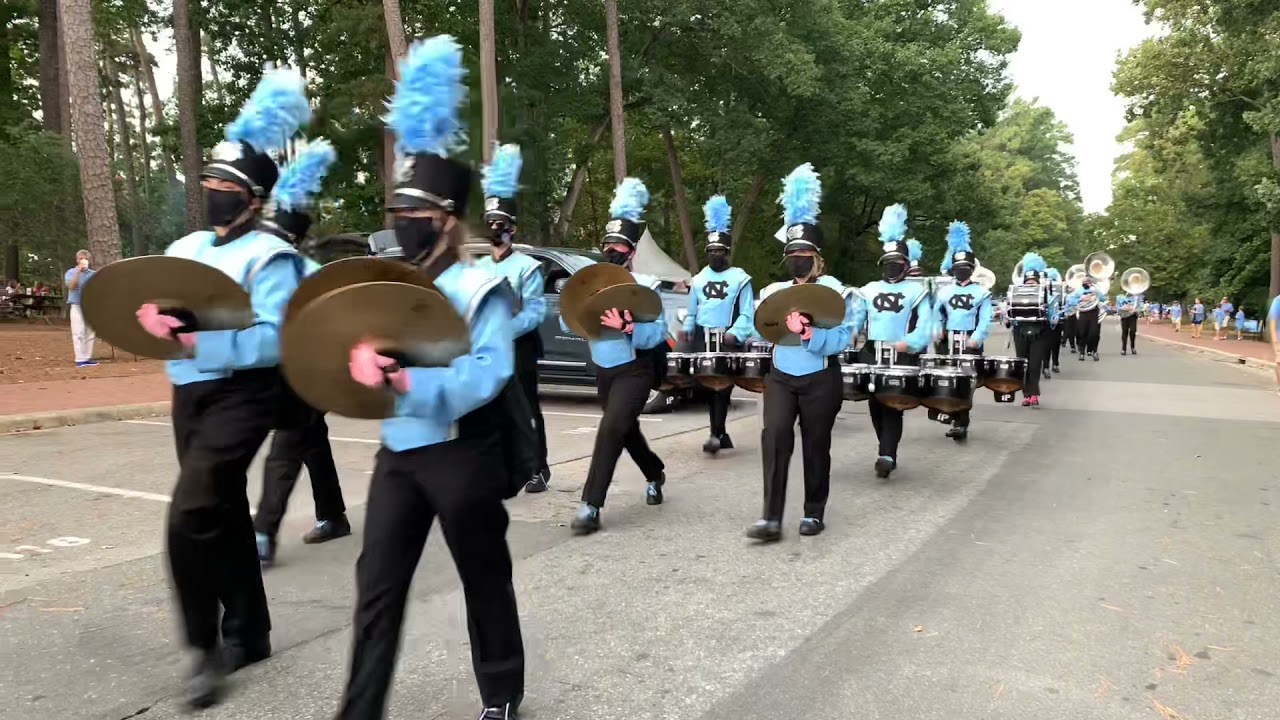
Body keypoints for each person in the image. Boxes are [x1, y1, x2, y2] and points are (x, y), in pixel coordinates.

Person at [336, 37, 525, 720]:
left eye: (418, 216)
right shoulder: (389, 282)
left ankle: (501, 692)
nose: (407, 225)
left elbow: (488, 372)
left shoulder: (481, 287)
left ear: (447, 220)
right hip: (398, 453)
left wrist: (413, 382)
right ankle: (359, 709)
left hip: (461, 451)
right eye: (400, 215)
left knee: (483, 574)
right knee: (376, 586)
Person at [133, 67, 312, 708]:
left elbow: (275, 339)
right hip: (189, 393)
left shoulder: (273, 258)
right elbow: (158, 304)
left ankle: (204, 649)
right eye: (209, 183)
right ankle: (250, 631)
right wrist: (153, 320)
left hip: (245, 393)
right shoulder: (186, 244)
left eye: (227, 188)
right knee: (223, 507)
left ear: (254, 199)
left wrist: (197, 340)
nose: (213, 193)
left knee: (191, 510)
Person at [251, 140, 352, 568]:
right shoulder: (270, 266)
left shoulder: (301, 273)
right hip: (288, 373)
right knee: (312, 441)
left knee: (287, 447)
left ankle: (263, 531)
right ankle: (333, 515)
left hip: (309, 375)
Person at [744, 164, 856, 542]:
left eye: (804, 252)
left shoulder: (835, 290)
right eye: (792, 253)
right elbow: (760, 327)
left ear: (816, 255)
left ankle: (813, 511)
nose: (797, 258)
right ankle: (771, 518)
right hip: (780, 376)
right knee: (775, 437)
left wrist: (810, 333)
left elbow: (844, 337)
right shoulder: (774, 291)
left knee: (815, 445)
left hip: (820, 378)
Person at [560, 177, 668, 535]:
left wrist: (629, 326)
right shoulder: (588, 282)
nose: (612, 250)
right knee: (625, 429)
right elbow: (568, 320)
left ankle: (590, 506)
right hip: (603, 369)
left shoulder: (647, 285)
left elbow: (658, 332)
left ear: (631, 251)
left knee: (610, 429)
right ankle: (654, 472)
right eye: (607, 244)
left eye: (619, 245)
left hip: (636, 369)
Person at [475, 143, 551, 491]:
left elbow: (535, 310)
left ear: (513, 228)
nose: (495, 227)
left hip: (518, 346)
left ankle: (539, 467)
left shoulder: (527, 266)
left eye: (501, 223)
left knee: (527, 409)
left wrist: (505, 328)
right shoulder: (477, 266)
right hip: (487, 347)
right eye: (490, 222)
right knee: (492, 407)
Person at [858, 202, 933, 476]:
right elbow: (857, 317)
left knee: (892, 404)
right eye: (887, 263)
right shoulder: (868, 289)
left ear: (906, 265)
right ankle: (885, 448)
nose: (891, 267)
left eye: (897, 263)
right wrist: (851, 332)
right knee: (875, 404)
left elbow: (925, 324)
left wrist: (909, 343)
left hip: (900, 354)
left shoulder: (917, 291)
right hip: (871, 351)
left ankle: (887, 454)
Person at [681, 194, 754, 455]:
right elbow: (692, 311)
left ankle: (715, 434)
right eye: (711, 251)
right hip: (703, 337)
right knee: (707, 386)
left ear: (727, 252)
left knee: (721, 387)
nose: (715, 255)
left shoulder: (740, 279)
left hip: (728, 338)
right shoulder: (699, 279)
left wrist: (736, 333)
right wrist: (687, 329)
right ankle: (720, 433)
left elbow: (747, 312)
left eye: (719, 251)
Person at [932, 221, 991, 440]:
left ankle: (961, 422)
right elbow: (937, 313)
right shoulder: (944, 291)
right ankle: (950, 413)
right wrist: (938, 329)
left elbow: (985, 319)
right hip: (948, 341)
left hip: (969, 341)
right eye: (957, 267)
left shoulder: (982, 293)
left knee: (965, 382)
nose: (961, 271)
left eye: (965, 267)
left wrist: (976, 338)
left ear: (971, 270)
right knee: (947, 379)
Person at [1010, 253, 1059, 406]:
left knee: (1035, 364)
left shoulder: (1047, 297)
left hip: (1040, 332)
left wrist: (1053, 315)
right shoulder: (1016, 294)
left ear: (1038, 282)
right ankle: (1026, 394)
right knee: (1023, 364)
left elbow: (1053, 318)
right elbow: (1010, 314)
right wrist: (1006, 316)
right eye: (1028, 282)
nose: (1030, 284)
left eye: (1033, 282)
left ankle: (1034, 394)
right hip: (1020, 332)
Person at [64, 250, 98, 367]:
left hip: (89, 306)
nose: (83, 261)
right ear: (77, 260)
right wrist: (79, 271)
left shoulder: (93, 274)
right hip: (77, 305)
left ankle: (87, 357)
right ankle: (79, 358)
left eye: (86, 259)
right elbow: (71, 286)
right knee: (78, 332)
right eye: (81, 258)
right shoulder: (71, 272)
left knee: (90, 332)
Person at [1069, 278, 1106, 360]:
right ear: (1082, 283)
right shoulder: (1078, 291)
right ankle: (1082, 352)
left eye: (1088, 282)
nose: (1087, 283)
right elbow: (1070, 301)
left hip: (1094, 313)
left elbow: (1103, 298)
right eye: (1085, 282)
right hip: (1083, 313)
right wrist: (1081, 299)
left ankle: (1094, 351)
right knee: (1082, 333)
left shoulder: (1095, 290)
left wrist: (1096, 292)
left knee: (1094, 333)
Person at [1117, 286, 1142, 356]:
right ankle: (1123, 349)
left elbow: (1139, 307)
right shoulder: (1120, 297)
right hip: (1124, 316)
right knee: (1124, 332)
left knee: (1133, 331)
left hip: (1133, 316)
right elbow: (1118, 307)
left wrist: (1136, 310)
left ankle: (1132, 347)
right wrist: (1123, 308)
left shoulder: (1136, 298)